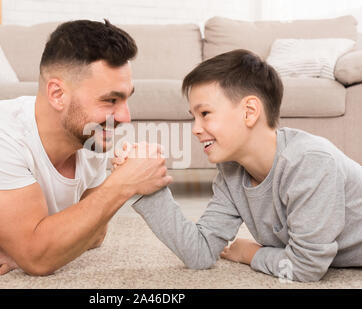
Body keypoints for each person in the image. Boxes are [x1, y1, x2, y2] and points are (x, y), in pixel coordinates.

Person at [0, 20, 172, 277]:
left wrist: (23, 247)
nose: (125, 116)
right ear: (58, 94)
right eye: (110, 100)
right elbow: (38, 260)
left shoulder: (90, 137)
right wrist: (122, 183)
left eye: (126, 98)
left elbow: (95, 234)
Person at [114, 49, 362, 282]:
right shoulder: (232, 173)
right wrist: (148, 186)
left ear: (249, 112)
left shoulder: (310, 162)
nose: (196, 129)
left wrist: (250, 254)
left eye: (205, 113)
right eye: (193, 117)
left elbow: (307, 267)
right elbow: (199, 252)